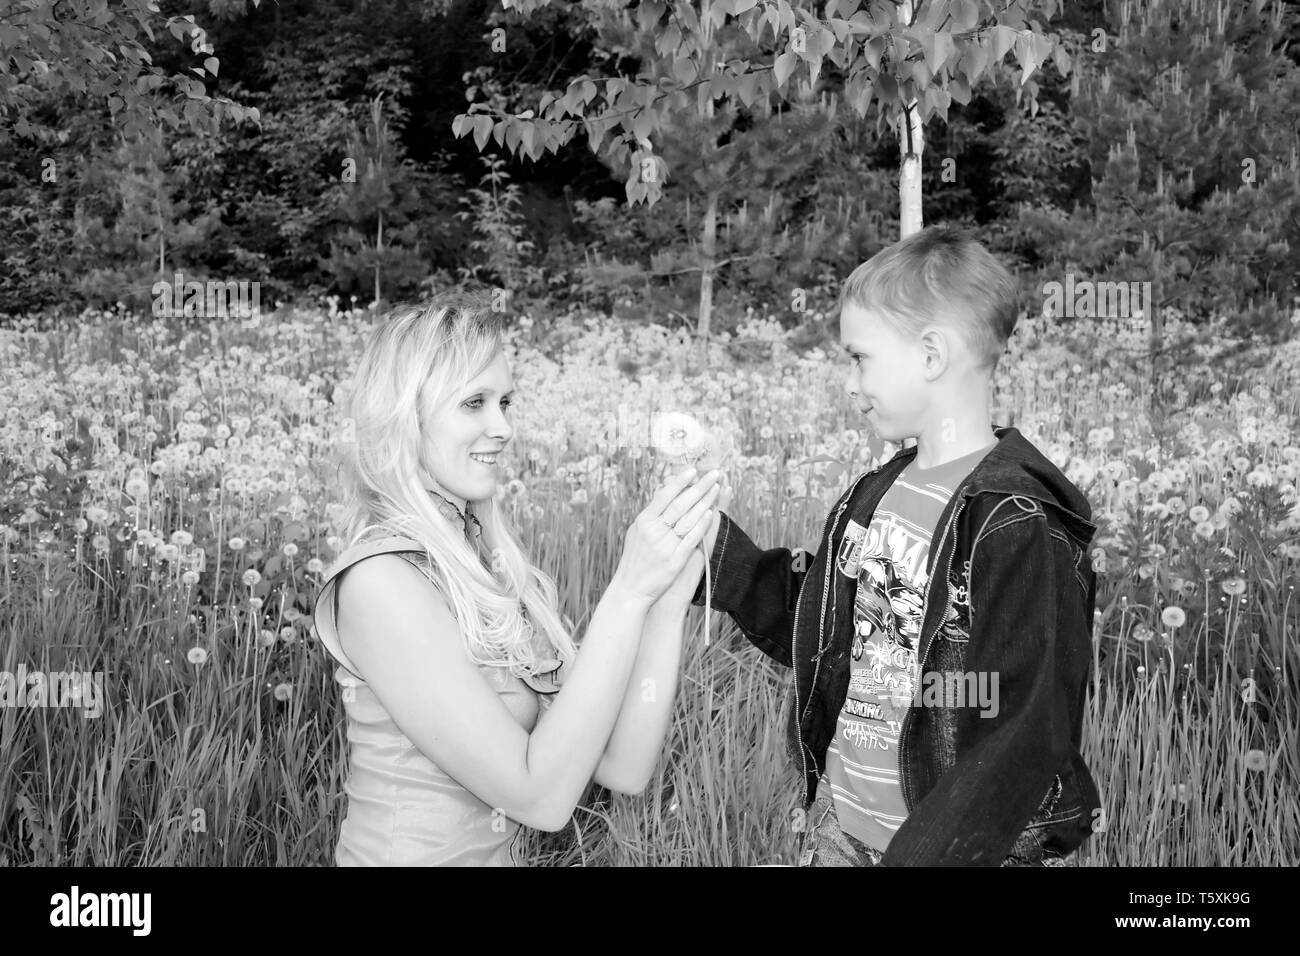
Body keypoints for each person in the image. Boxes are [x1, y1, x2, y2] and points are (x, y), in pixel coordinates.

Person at [692, 226, 1102, 865]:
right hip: (840, 821)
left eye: (860, 358)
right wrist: (716, 556)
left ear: (931, 356)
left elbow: (1025, 729)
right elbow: (825, 615)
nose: (851, 384)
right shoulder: (877, 491)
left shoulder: (1016, 524)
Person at [312, 293, 721, 865]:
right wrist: (626, 590)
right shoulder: (381, 582)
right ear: (407, 416)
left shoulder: (486, 567)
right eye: (474, 403)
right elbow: (542, 799)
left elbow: (623, 766)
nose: (502, 426)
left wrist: (665, 600)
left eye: (505, 401)